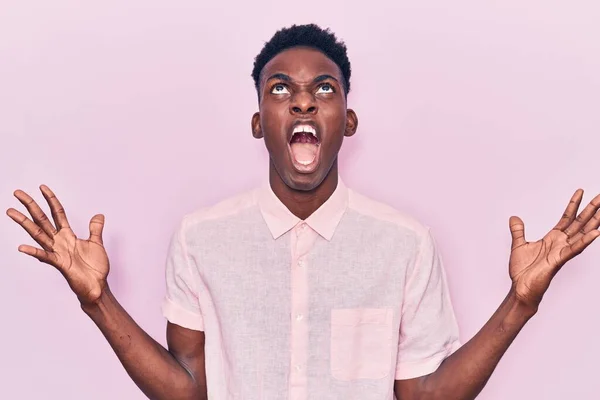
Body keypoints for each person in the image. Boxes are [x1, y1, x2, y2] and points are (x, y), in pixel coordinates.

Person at [6, 24, 599, 400]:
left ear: (348, 120)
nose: (303, 101)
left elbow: (424, 396)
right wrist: (97, 302)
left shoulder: (405, 243)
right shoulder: (200, 238)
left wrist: (522, 303)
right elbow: (188, 389)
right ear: (260, 121)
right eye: (281, 88)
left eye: (325, 88)